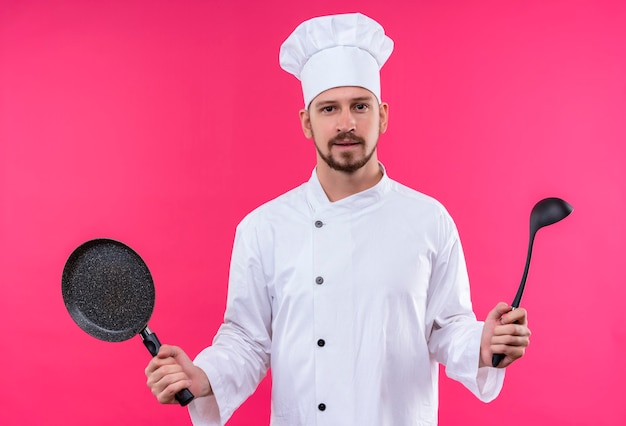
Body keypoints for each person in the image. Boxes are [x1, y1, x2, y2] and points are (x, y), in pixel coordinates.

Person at [145, 12, 531, 425]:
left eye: (359, 106)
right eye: (329, 108)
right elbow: (247, 340)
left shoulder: (428, 221)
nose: (346, 123)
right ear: (306, 123)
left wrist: (483, 342)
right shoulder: (263, 228)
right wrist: (203, 376)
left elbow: (448, 328)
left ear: (381, 115)